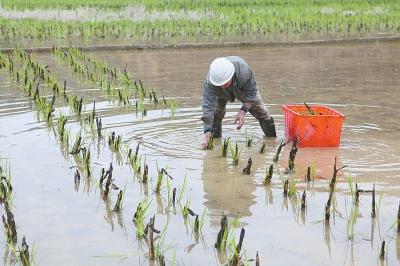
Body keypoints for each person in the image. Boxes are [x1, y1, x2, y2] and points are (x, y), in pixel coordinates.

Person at [201, 56, 276, 149]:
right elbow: (207, 106)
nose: (224, 86)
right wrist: (207, 131)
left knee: (261, 111)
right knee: (215, 114)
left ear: (231, 75)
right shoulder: (211, 82)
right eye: (221, 84)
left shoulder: (243, 71)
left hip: (242, 89)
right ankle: (214, 143)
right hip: (219, 93)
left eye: (225, 83)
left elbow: (252, 92)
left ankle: (272, 141)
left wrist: (243, 111)